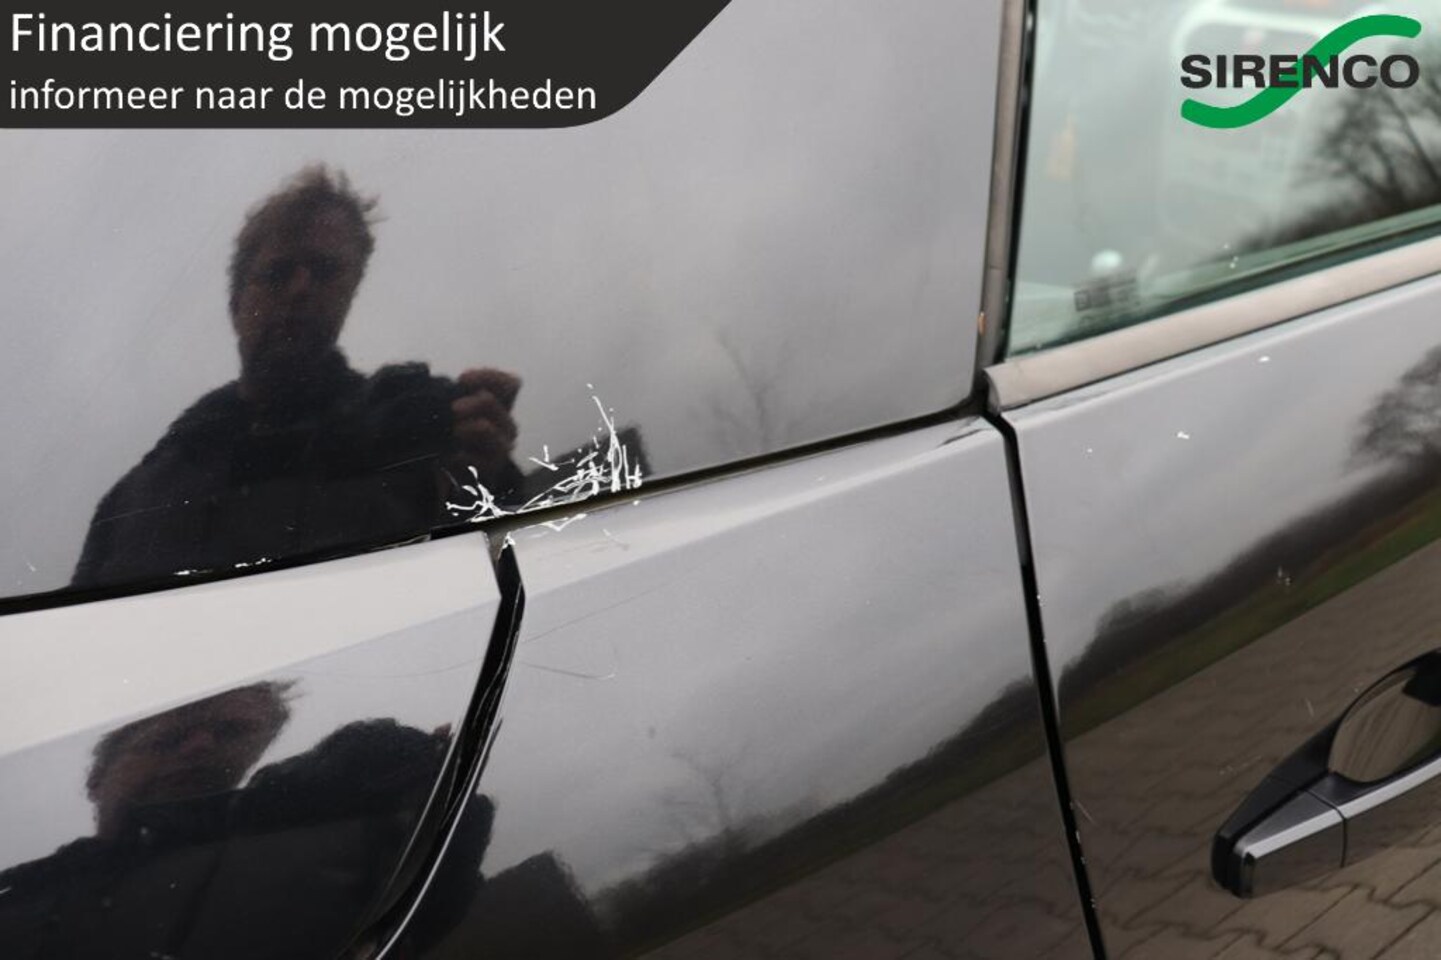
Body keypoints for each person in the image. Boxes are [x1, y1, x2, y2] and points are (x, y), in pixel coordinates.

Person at [73, 166, 522, 589]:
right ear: (236, 304)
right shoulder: (134, 500)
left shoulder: (418, 437)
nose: (301, 288)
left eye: (325, 271)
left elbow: (491, 582)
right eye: (277, 272)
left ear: (349, 293)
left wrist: (490, 481)